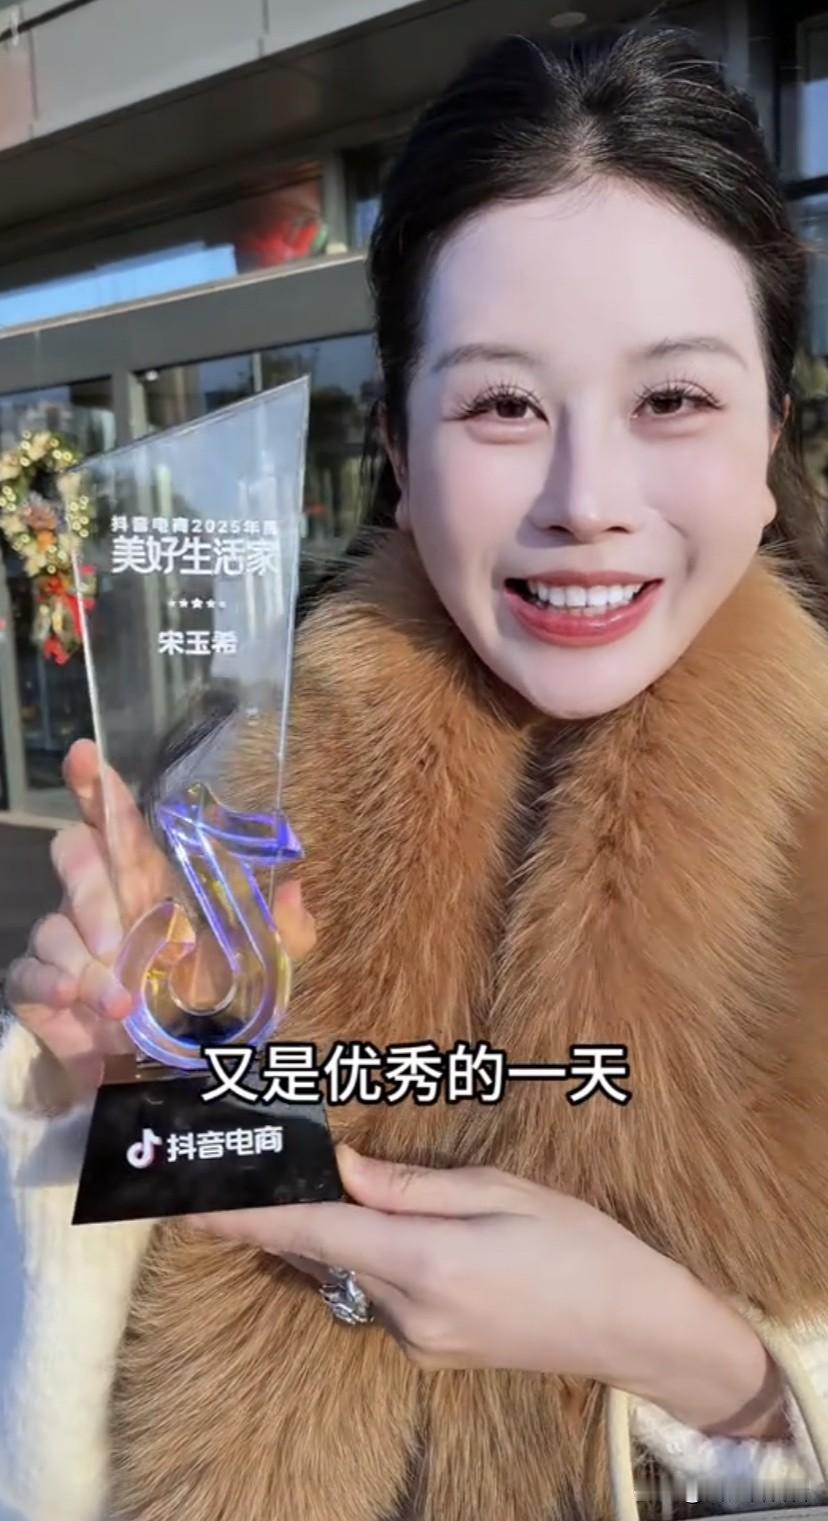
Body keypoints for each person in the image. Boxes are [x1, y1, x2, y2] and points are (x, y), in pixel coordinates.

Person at [3, 20, 828, 1521]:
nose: (587, 500)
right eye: (503, 404)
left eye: (674, 400)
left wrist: (717, 1367)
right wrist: (105, 1086)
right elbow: (110, 1328)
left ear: (771, 430)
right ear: (397, 439)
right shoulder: (239, 793)